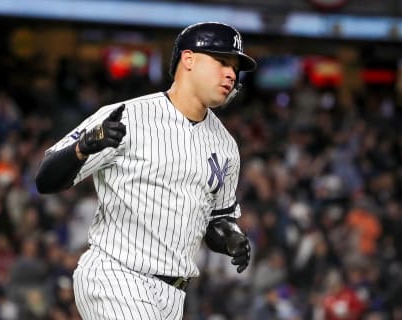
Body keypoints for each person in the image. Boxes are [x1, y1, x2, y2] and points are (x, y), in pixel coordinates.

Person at [35, 21, 257, 320]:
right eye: (221, 61)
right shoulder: (128, 116)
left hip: (173, 295)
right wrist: (82, 148)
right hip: (116, 276)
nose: (231, 73)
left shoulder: (227, 146)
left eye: (235, 67)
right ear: (188, 60)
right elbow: (45, 179)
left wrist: (231, 235)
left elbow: (217, 220)